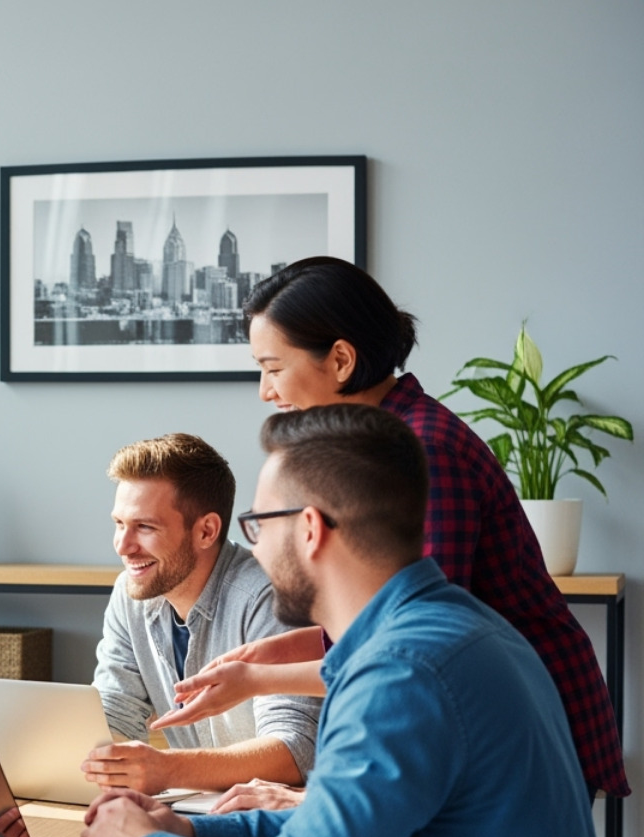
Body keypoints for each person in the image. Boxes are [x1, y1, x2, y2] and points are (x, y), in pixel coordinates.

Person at [77, 404, 617, 837]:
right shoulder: (457, 628)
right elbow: (332, 835)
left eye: (257, 525)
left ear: (309, 530)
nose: (253, 548)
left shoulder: (402, 673)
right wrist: (191, 832)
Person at [156, 256, 627, 803]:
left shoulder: (424, 454)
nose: (265, 390)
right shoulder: (382, 444)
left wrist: (259, 681)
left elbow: (420, 649)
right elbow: (384, 622)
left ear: (340, 359)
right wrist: (265, 655)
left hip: (522, 724)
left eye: (273, 367)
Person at [79, 435, 319, 802]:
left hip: (279, 816)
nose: (123, 546)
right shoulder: (131, 594)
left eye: (145, 527)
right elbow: (115, 716)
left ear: (206, 531)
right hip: (195, 807)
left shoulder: (267, 596)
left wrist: (168, 769)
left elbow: (295, 750)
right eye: (119, 523)